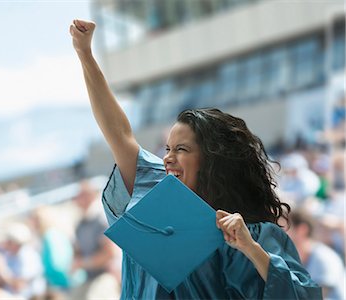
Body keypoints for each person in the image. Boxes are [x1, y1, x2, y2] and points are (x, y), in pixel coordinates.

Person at [70, 19, 322, 299]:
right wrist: (85, 55)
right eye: (167, 149)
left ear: (214, 160)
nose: (168, 158)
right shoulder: (152, 204)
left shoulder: (254, 234)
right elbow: (119, 134)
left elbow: (303, 296)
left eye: (181, 149)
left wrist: (250, 249)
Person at [287, 210, 345, 300]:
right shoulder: (293, 258)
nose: (281, 233)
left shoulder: (324, 258)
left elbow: (317, 297)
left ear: (302, 230)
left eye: (286, 228)